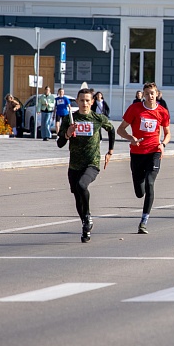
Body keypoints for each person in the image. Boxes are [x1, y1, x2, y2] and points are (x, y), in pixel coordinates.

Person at [57, 88, 116, 243]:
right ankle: (85, 226)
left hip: (92, 163)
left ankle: (88, 215)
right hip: (74, 164)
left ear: (92, 102)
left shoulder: (97, 118)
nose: (84, 103)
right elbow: (60, 143)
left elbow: (111, 130)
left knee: (82, 185)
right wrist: (68, 133)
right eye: (81, 100)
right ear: (77, 101)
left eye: (87, 100)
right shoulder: (70, 119)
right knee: (77, 194)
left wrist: (110, 151)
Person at [117, 82, 170, 234]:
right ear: (143, 95)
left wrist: (163, 144)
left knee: (150, 183)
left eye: (152, 93)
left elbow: (167, 133)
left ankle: (144, 221)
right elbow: (120, 129)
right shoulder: (135, 109)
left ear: (157, 94)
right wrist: (130, 138)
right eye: (147, 93)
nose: (150, 96)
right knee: (139, 191)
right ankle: (141, 193)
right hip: (137, 154)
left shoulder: (162, 112)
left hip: (154, 151)